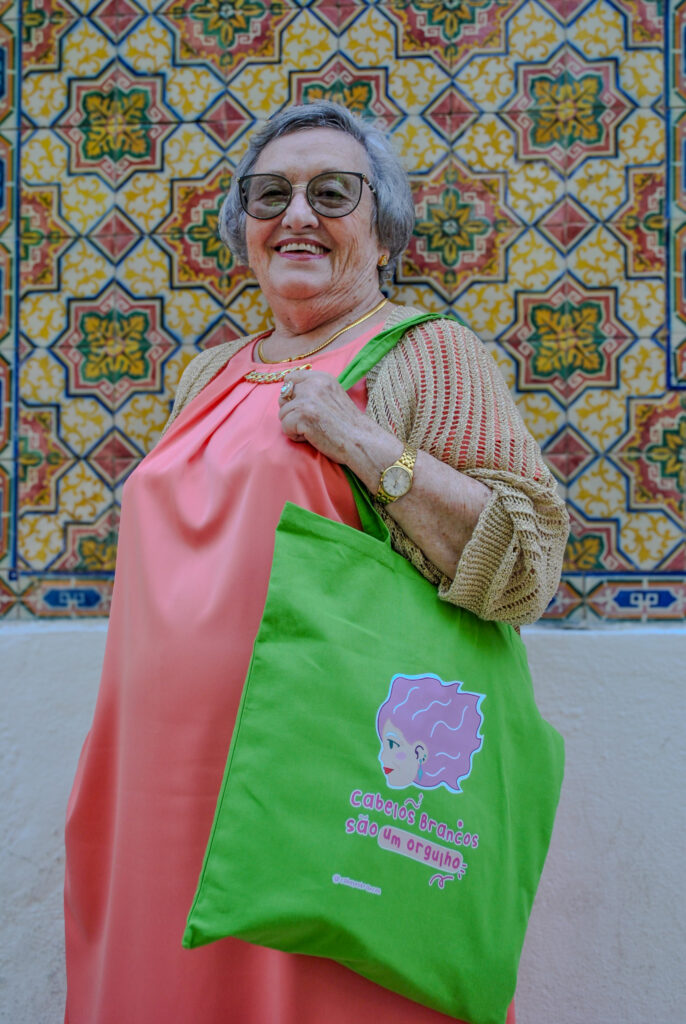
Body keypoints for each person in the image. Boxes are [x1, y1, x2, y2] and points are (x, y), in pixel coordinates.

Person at [63, 101, 568, 1024]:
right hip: (157, 787)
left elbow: (529, 565)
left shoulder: (427, 353)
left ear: (384, 230)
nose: (297, 215)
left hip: (315, 792)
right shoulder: (210, 373)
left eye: (332, 193)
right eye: (271, 195)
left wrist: (365, 444)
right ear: (244, 229)